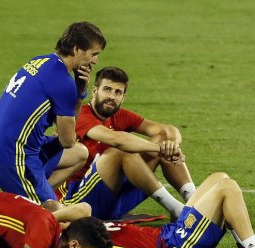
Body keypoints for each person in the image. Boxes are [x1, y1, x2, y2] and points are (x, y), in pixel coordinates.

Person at [0, 22, 106, 210]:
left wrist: (80, 91)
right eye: (93, 54)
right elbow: (66, 140)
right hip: (15, 156)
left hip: (4, 144)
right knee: (57, 220)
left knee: (80, 154)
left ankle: (34, 197)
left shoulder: (40, 61)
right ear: (76, 49)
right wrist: (74, 94)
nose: (95, 61)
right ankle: (37, 203)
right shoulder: (63, 82)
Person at [61, 66, 195, 220]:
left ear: (123, 97)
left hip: (115, 198)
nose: (111, 96)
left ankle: (195, 204)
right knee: (120, 151)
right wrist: (160, 149)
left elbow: (168, 131)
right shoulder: (81, 115)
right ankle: (178, 210)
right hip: (81, 200)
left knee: (164, 139)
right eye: (107, 89)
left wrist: (172, 146)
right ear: (95, 91)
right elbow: (117, 140)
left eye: (117, 92)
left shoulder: (120, 115)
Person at [95, 172, 255, 248]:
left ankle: (244, 246)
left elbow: (83, 209)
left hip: (173, 232)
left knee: (219, 176)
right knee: (228, 188)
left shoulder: (80, 227)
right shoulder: (82, 243)